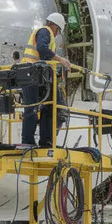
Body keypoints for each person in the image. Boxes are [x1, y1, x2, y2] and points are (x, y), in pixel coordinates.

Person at [19, 12, 71, 149]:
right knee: (31, 107)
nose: (57, 34)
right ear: (55, 26)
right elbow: (42, 49)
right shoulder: (45, 31)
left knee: (49, 106)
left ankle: (46, 141)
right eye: (58, 30)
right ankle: (27, 141)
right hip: (30, 73)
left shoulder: (46, 34)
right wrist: (60, 60)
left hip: (38, 75)